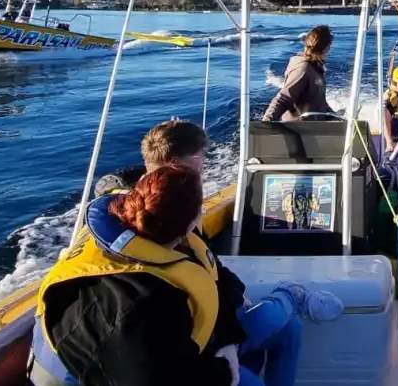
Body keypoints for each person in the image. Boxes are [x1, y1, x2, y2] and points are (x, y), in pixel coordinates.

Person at [91, 120, 339, 386]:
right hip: (186, 350)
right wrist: (224, 342)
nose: (205, 166)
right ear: (182, 163)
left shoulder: (168, 208)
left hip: (206, 327)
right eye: (201, 158)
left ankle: (289, 298)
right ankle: (291, 294)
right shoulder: (161, 216)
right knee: (273, 319)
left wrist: (230, 319)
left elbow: (209, 268)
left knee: (289, 328)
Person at [30, 165, 256, 386]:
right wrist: (223, 373)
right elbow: (150, 375)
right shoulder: (144, 302)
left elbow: (218, 279)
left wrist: (228, 337)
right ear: (189, 223)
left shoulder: (121, 233)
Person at [262, 26, 335, 121]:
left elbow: (318, 100)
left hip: (315, 124)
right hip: (300, 127)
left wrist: (333, 115)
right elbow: (284, 98)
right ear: (326, 47)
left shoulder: (315, 67)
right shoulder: (303, 69)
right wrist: (266, 123)